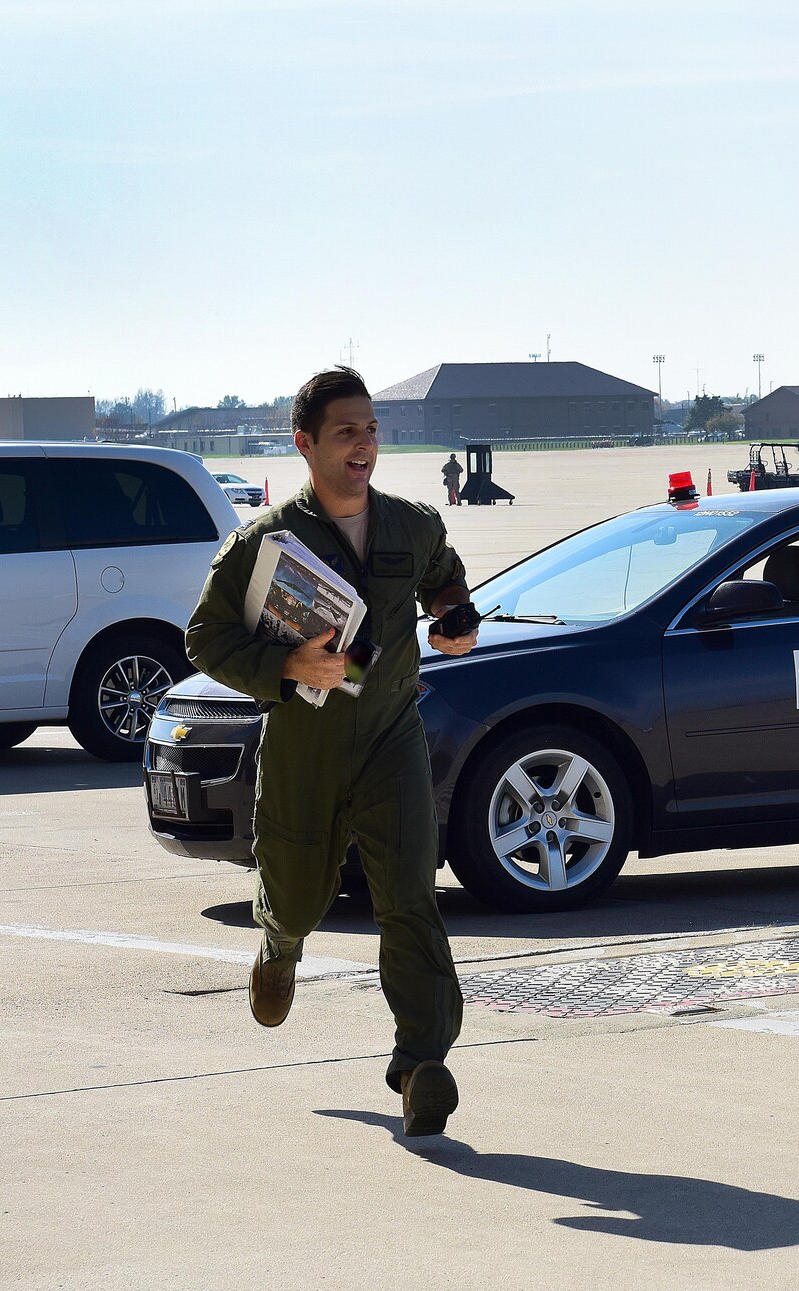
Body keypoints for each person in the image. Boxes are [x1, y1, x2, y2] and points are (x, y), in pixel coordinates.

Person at [185, 366, 477, 1138]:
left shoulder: (411, 526)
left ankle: (422, 1065)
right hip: (305, 746)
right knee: (299, 890)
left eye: (373, 428)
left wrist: (456, 617)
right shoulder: (265, 542)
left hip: (391, 738)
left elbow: (446, 583)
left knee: (409, 897)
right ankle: (279, 944)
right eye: (347, 430)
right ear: (305, 442)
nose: (365, 444)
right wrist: (285, 667)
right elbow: (205, 636)